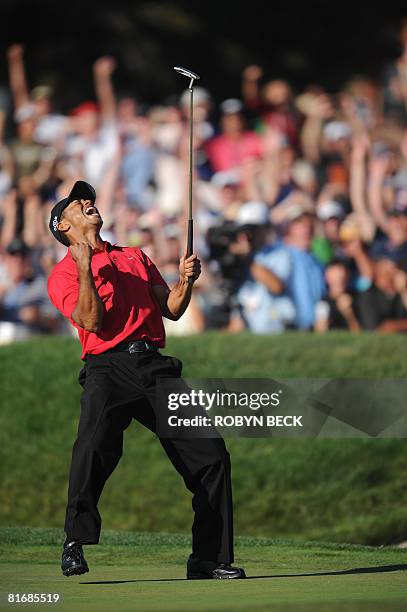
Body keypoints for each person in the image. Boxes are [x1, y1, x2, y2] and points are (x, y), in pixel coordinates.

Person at [46, 180, 246, 580]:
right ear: (62, 226)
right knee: (93, 447)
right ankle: (74, 542)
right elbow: (91, 321)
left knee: (211, 455)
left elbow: (171, 308)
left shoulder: (135, 256)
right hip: (107, 368)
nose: (87, 203)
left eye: (88, 199)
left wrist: (185, 281)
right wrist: (85, 269)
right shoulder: (63, 274)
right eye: (76, 203)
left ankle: (207, 558)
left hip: (153, 365)